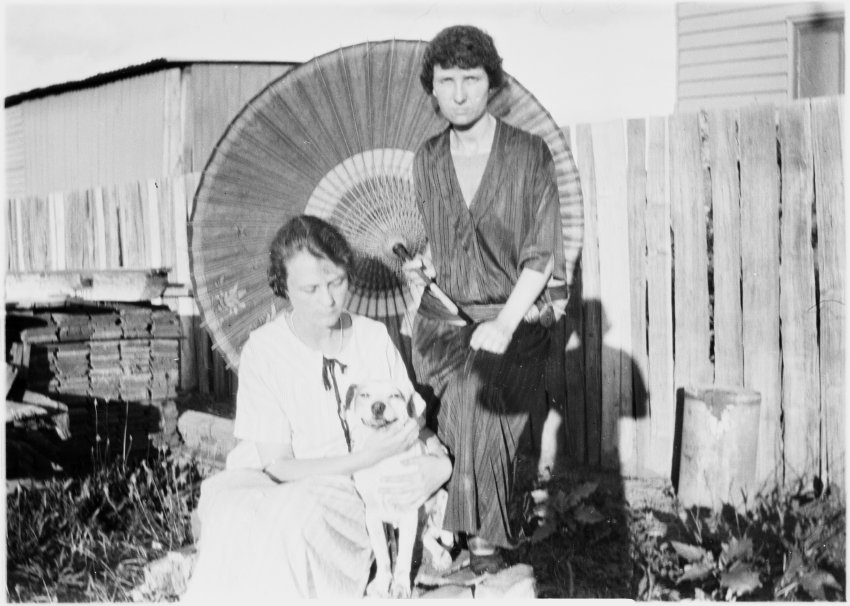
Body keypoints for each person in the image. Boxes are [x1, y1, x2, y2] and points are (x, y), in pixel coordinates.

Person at [184, 215, 452, 601]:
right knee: (234, 515)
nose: (327, 300)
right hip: (280, 475)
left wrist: (439, 463)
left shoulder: (372, 337)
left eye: (336, 282)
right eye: (309, 288)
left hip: (344, 489)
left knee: (296, 522)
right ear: (284, 287)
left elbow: (411, 421)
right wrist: (366, 457)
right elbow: (277, 465)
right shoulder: (265, 350)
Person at [403, 25, 582, 573]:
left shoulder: (529, 154)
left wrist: (504, 322)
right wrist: (423, 267)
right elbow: (443, 238)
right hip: (447, 319)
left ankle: (478, 542)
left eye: (471, 80)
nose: (458, 93)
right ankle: (460, 524)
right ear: (432, 87)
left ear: (492, 84)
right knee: (461, 384)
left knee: (477, 391)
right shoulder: (427, 159)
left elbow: (541, 255)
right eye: (446, 80)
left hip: (518, 312)